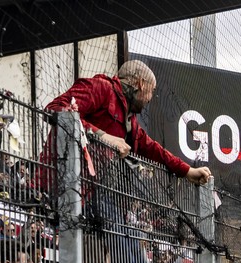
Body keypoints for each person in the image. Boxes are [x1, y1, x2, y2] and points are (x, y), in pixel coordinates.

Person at [44, 60, 212, 186]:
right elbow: (55, 109)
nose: (150, 98)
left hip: (79, 190)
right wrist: (102, 136)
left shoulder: (129, 119)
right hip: (52, 180)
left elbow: (152, 149)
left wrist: (187, 171)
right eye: (152, 91)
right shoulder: (102, 88)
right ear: (141, 83)